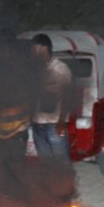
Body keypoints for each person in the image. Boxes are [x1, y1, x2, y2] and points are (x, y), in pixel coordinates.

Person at [30, 33, 74, 162]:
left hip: (54, 124)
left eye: (34, 49)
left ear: (44, 48)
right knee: (46, 165)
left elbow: (68, 96)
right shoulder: (36, 69)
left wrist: (61, 122)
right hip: (38, 124)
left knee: (61, 163)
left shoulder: (60, 69)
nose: (32, 52)